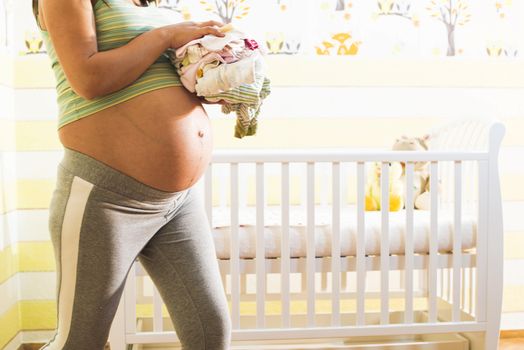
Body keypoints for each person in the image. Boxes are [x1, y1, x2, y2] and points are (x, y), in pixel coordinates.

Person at [32, 0, 232, 349]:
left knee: (210, 332)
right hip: (105, 197)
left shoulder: (153, 4)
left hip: (178, 203)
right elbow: (89, 78)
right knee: (79, 342)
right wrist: (167, 35)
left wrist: (213, 77)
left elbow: (151, 73)